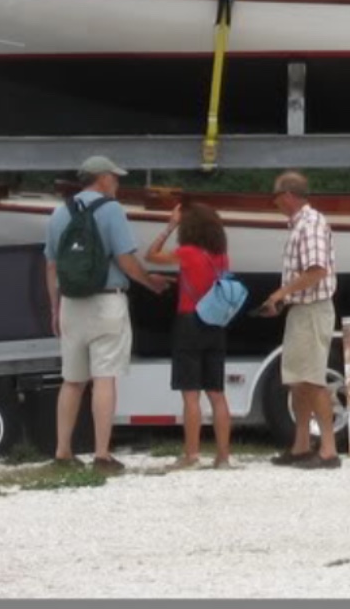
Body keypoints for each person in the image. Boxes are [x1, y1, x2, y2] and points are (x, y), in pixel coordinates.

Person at [42, 154, 169, 473]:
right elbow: (125, 260)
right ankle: (101, 454)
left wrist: (55, 307)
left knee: (71, 381)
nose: (118, 182)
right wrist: (150, 283)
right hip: (106, 302)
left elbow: (51, 264)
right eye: (115, 177)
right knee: (104, 379)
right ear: (102, 179)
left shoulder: (59, 213)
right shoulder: (111, 211)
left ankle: (63, 452)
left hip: (71, 304)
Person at [255, 169, 340, 469]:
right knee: (298, 381)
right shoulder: (300, 225)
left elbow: (317, 270)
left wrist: (280, 294)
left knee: (313, 380)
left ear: (288, 195)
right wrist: (285, 300)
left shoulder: (311, 224)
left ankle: (328, 450)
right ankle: (301, 445)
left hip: (313, 310)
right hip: (302, 309)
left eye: (276, 197)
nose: (274, 203)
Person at [144, 200, 235, 469]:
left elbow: (151, 255)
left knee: (191, 394)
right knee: (217, 393)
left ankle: (192, 455)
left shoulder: (187, 253)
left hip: (189, 323)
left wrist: (170, 226)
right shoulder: (222, 257)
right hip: (216, 324)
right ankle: (223, 456)